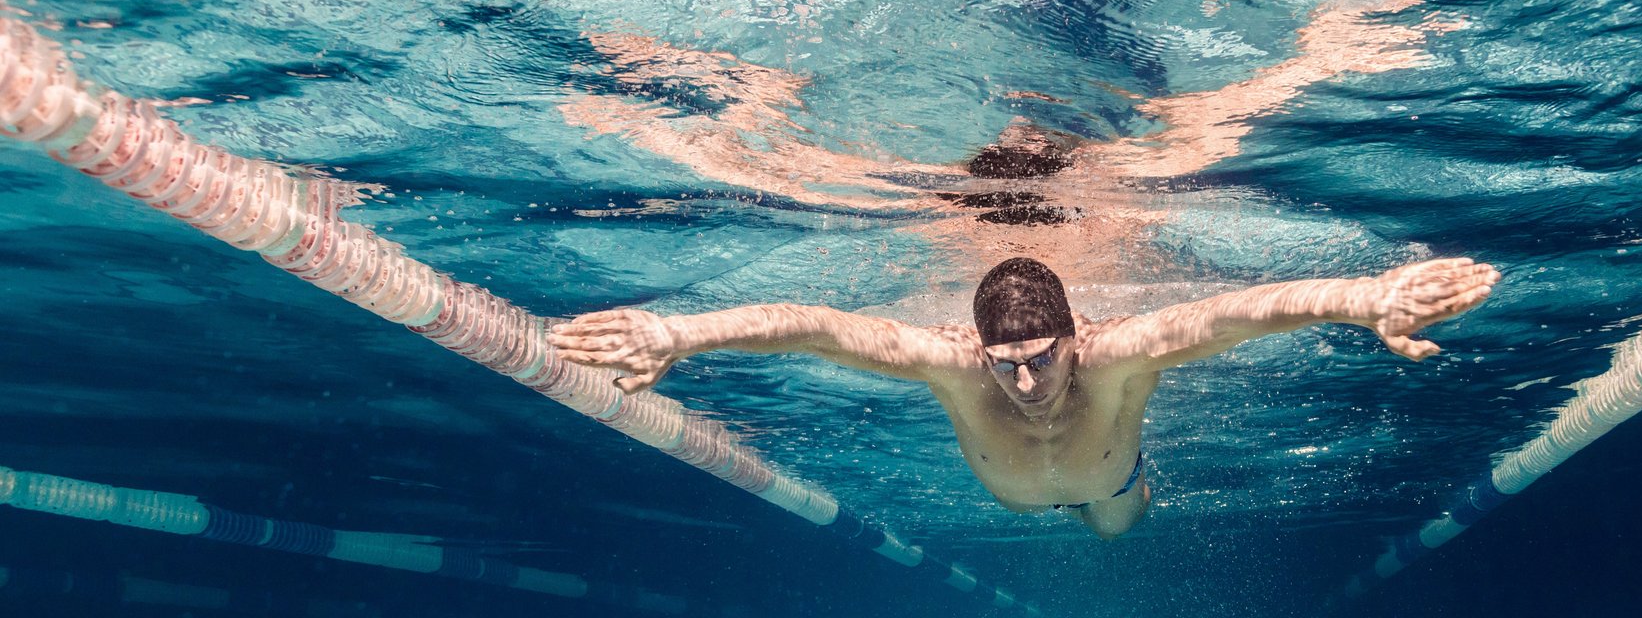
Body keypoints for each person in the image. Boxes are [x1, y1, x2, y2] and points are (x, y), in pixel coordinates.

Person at [548, 256, 1499, 539]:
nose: (1027, 381)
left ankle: (1123, 497)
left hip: (1109, 478)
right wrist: (678, 332)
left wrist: (1365, 298)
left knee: (1116, 526)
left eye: (1043, 357)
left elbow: (1233, 315)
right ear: (979, 347)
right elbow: (819, 325)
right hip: (1017, 486)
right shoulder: (957, 363)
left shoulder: (1124, 354)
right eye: (1006, 363)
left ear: (1079, 338)